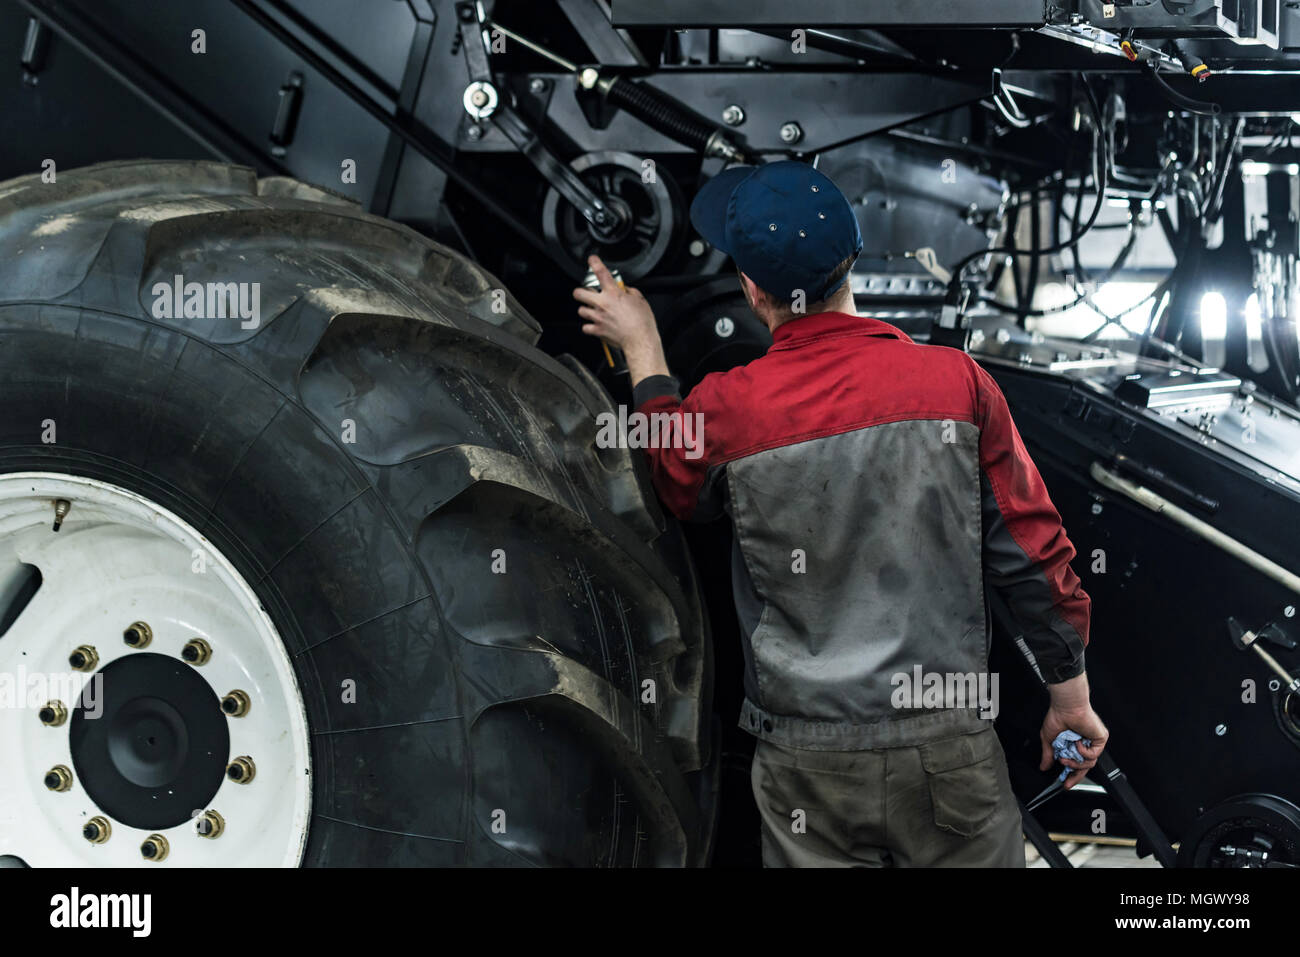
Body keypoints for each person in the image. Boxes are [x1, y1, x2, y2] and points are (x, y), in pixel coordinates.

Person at [572, 160, 1108, 867]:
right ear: (851, 259)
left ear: (752, 288)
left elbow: (674, 481)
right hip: (948, 750)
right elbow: (1034, 554)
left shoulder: (729, 409)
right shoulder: (957, 383)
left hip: (809, 766)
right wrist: (1069, 698)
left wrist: (641, 345)